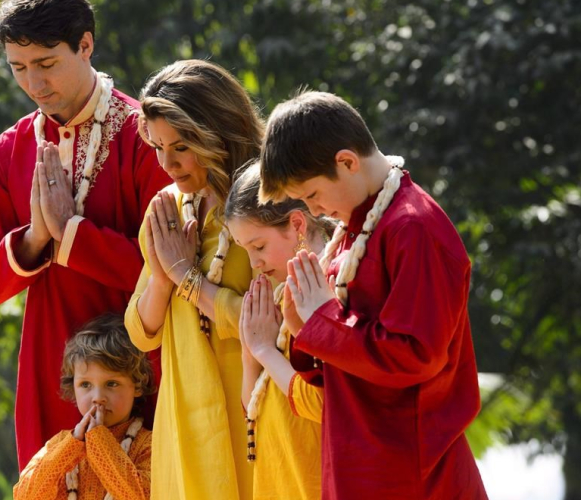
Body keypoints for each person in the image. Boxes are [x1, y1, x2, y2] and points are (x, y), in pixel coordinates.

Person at [0, 0, 169, 469]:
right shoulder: (11, 148)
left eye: (46, 64)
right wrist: (36, 238)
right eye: (19, 68)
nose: (34, 83)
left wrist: (72, 234)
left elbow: (172, 264)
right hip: (53, 365)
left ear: (86, 45)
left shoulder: (147, 136)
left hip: (142, 368)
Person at [258, 91, 488, 499]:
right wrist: (304, 330)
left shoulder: (412, 227)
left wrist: (323, 319)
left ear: (346, 162)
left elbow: (415, 354)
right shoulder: (357, 225)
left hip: (409, 472)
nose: (313, 211)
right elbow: (349, 366)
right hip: (357, 460)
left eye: (312, 194)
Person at [124, 59, 263, 500]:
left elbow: (272, 323)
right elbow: (141, 333)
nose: (167, 164)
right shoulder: (168, 206)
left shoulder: (267, 202)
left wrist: (187, 277)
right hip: (185, 423)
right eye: (159, 147)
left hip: (253, 415)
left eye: (181, 146)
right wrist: (164, 278)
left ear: (218, 132)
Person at [224, 162, 329, 499]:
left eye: (258, 246)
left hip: (312, 479)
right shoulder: (282, 288)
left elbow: (322, 403)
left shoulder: (329, 288)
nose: (254, 263)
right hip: (278, 476)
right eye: (245, 250)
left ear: (297, 224)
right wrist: (250, 352)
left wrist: (265, 351)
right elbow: (255, 406)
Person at [14, 314, 154, 500]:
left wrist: (99, 442)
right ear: (73, 386)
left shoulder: (148, 445)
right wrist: (71, 447)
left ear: (137, 385)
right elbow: (24, 496)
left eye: (111, 384)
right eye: (86, 385)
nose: (98, 398)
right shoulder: (61, 444)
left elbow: (142, 495)